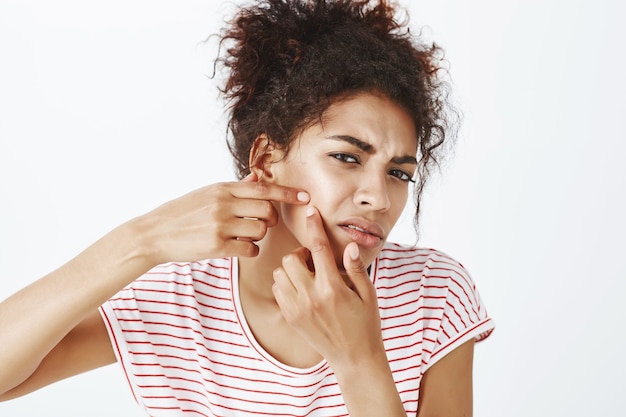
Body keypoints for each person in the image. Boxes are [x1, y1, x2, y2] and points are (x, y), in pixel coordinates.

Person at [0, 0, 494, 415]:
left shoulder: (432, 295)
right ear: (265, 159)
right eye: (347, 157)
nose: (379, 198)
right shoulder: (180, 298)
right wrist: (142, 241)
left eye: (398, 172)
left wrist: (358, 360)